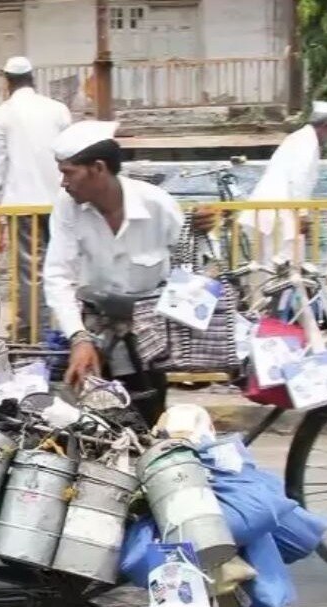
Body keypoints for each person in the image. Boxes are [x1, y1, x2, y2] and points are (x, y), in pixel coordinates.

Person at [43, 121, 218, 427]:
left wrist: (203, 230)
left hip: (150, 340)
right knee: (90, 427)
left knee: (150, 422)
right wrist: (79, 338)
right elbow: (58, 275)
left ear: (98, 168)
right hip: (96, 335)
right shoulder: (67, 207)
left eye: (68, 172)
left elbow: (197, 265)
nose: (63, 183)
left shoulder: (158, 205)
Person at [0, 56, 72, 341]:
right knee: (59, 263)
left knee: (29, 268)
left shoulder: (2, 115)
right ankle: (57, 325)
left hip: (23, 203)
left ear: (7, 81)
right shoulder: (58, 110)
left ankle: (33, 329)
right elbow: (70, 152)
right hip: (60, 199)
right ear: (32, 78)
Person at [237, 100, 327, 265]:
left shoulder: (299, 138)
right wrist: (302, 213)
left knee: (270, 263)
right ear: (325, 124)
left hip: (272, 208)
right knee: (285, 264)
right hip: (280, 209)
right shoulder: (307, 142)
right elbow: (298, 178)